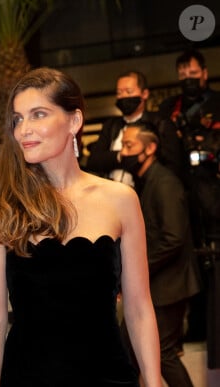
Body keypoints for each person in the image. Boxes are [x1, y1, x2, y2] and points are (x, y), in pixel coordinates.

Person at [0, 67, 162, 386]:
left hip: (109, 375)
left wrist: (154, 379)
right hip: (28, 377)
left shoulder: (120, 199)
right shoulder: (0, 204)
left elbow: (139, 308)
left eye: (38, 114)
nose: (24, 130)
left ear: (74, 121)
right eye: (18, 119)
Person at [119, 122, 200, 387]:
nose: (123, 152)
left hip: (169, 286)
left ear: (150, 148)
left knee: (162, 352)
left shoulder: (164, 182)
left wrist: (134, 271)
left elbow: (173, 238)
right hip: (158, 284)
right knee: (129, 351)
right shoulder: (146, 181)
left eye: (130, 145)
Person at [158, 48, 220, 348]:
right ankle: (196, 324)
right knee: (192, 259)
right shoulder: (171, 107)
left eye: (193, 74)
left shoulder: (217, 103)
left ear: (205, 74)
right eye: (182, 75)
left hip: (213, 188)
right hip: (182, 191)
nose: (188, 79)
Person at [86, 70, 184, 185]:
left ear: (145, 94)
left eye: (129, 91)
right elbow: (94, 161)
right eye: (119, 93)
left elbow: (174, 164)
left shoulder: (159, 123)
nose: (123, 96)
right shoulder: (111, 126)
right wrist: (120, 157)